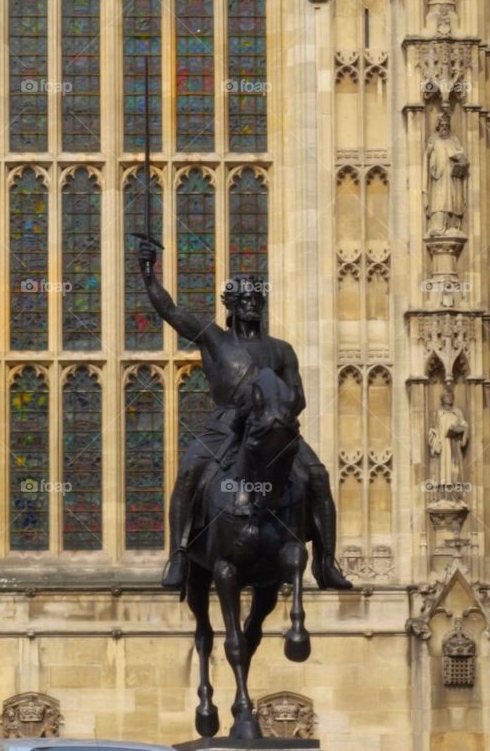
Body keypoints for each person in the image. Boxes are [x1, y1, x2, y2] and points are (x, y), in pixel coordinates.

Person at [137, 243, 353, 591]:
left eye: (257, 298)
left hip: (274, 428)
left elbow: (298, 394)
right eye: (246, 299)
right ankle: (178, 555)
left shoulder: (281, 350)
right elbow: (172, 311)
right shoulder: (215, 340)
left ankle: (326, 562)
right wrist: (149, 274)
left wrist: (279, 410)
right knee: (190, 474)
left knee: (317, 475)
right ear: (233, 307)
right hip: (225, 425)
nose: (253, 303)